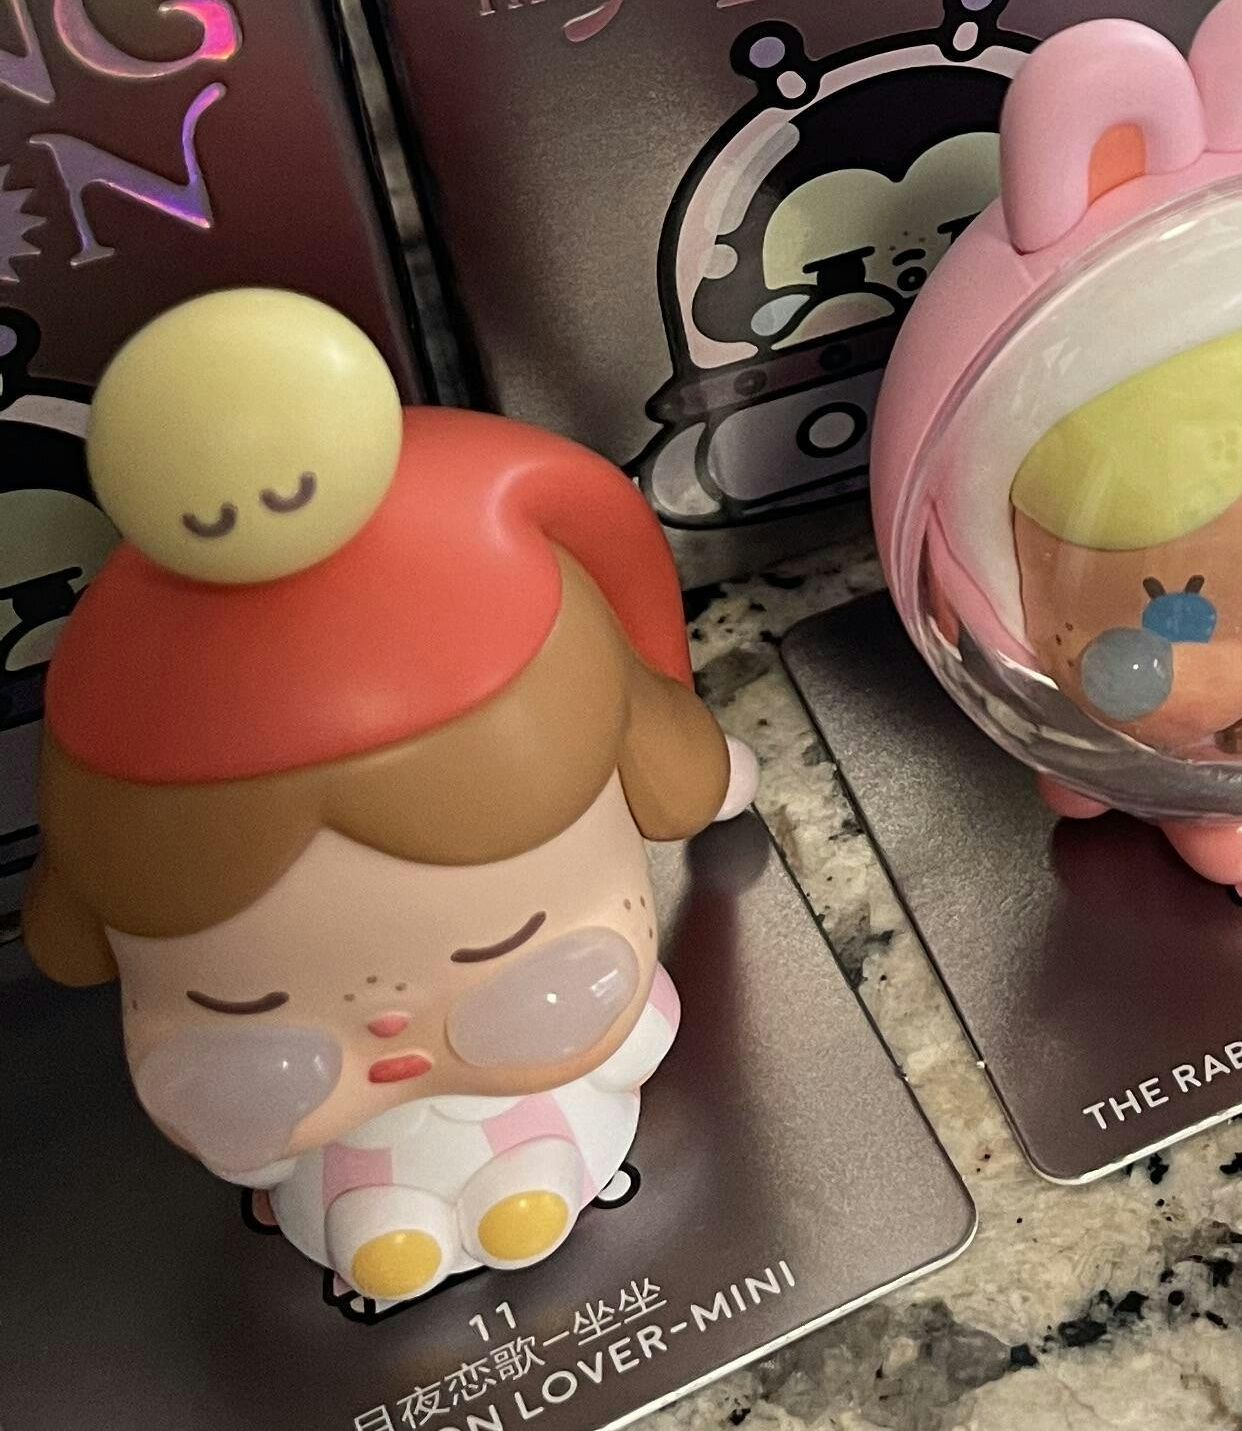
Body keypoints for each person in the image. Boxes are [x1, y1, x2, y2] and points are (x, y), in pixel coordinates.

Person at [25, 288, 752, 1313]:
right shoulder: (120, 699)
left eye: (501, 948)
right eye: (246, 1009)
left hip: (553, 1109)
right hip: (344, 1173)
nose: (395, 1028)